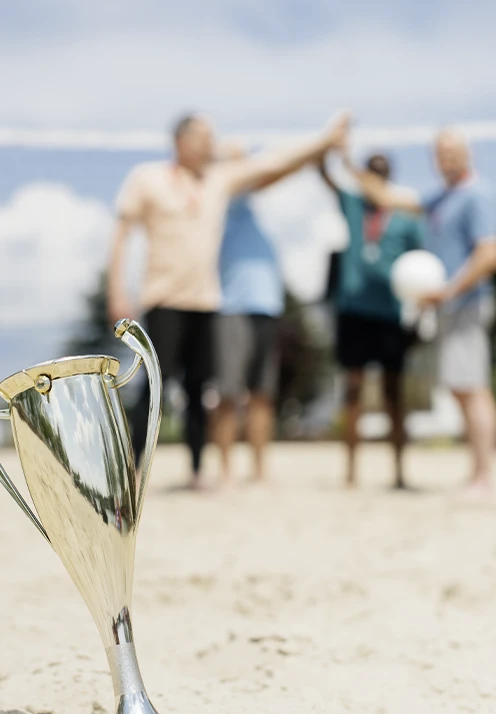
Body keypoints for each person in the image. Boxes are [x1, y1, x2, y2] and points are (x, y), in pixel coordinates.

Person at [108, 112, 349, 489]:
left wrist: (324, 139)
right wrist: (117, 291)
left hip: (206, 301)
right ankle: (133, 472)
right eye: (204, 136)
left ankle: (197, 472)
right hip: (162, 299)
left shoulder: (219, 181)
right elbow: (122, 234)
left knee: (198, 390)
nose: (211, 143)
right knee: (154, 386)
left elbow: (275, 162)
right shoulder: (147, 178)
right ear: (181, 141)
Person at [348, 129, 496, 498]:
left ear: (468, 154)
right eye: (439, 153)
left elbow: (488, 255)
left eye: (452, 151)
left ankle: (484, 477)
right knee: (461, 389)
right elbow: (385, 195)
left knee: (473, 388)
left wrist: (448, 290)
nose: (445, 158)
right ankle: (477, 473)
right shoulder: (442, 198)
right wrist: (346, 161)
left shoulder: (477, 195)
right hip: (448, 306)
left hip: (466, 303)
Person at [320, 153, 424, 488]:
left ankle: (399, 473)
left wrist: (421, 313)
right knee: (352, 390)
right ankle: (351, 474)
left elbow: (422, 266)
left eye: (381, 172)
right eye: (371, 171)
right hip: (353, 310)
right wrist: (333, 147)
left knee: (395, 393)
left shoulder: (406, 215)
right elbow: (325, 173)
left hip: (390, 313)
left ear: (389, 175)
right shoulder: (352, 202)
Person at [214, 143, 285, 485]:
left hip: (266, 308)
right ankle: (226, 468)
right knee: (228, 392)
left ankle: (260, 469)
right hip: (231, 308)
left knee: (262, 393)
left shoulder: (258, 210)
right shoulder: (228, 194)